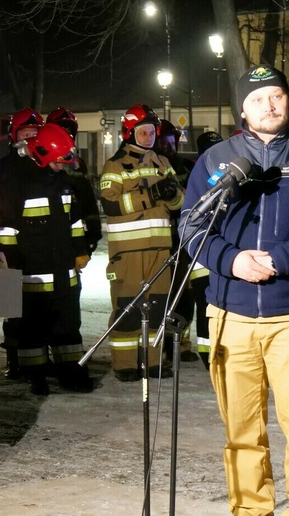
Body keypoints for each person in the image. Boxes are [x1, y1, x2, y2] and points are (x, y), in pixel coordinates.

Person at [179, 64, 289, 516]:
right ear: (242, 109)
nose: (268, 105)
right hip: (230, 313)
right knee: (241, 431)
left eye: (276, 96)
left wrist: (278, 260)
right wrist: (231, 260)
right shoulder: (216, 161)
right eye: (257, 99)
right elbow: (191, 226)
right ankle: (251, 510)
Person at [0, 123, 94, 395]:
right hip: (32, 274)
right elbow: (7, 229)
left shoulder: (63, 182)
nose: (62, 166)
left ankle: (70, 372)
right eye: (59, 161)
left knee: (68, 326)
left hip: (64, 272)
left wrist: (80, 250)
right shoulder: (18, 183)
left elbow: (75, 222)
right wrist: (10, 265)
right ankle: (36, 376)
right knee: (33, 330)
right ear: (44, 154)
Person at [99, 104, 184, 382]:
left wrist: (172, 195)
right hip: (128, 251)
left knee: (158, 308)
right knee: (128, 308)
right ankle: (125, 364)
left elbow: (180, 203)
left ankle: (154, 362)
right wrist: (151, 194)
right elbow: (111, 204)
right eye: (142, 132)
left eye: (151, 132)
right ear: (129, 133)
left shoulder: (163, 163)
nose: (148, 137)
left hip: (160, 249)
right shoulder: (115, 165)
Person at [0, 107, 45, 380]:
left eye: (35, 132)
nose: (30, 137)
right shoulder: (1, 170)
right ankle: (14, 358)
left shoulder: (45, 166)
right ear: (14, 135)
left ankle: (40, 359)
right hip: (10, 248)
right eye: (25, 133)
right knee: (13, 306)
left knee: (40, 304)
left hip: (40, 247)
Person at [155, 118, 199, 363]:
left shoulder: (186, 167)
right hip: (159, 239)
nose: (169, 146)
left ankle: (179, 344)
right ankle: (160, 345)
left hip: (183, 240)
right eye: (164, 142)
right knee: (161, 295)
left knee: (184, 294)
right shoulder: (151, 167)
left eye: (172, 142)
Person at [188, 130, 224, 367]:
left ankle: (219, 349)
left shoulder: (228, 173)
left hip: (223, 249)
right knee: (205, 303)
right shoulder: (200, 176)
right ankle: (207, 352)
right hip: (202, 251)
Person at [46, 107, 103, 256]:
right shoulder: (43, 159)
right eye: (61, 130)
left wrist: (94, 231)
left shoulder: (78, 163)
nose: (66, 135)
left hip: (75, 235)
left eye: (69, 131)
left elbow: (87, 198)